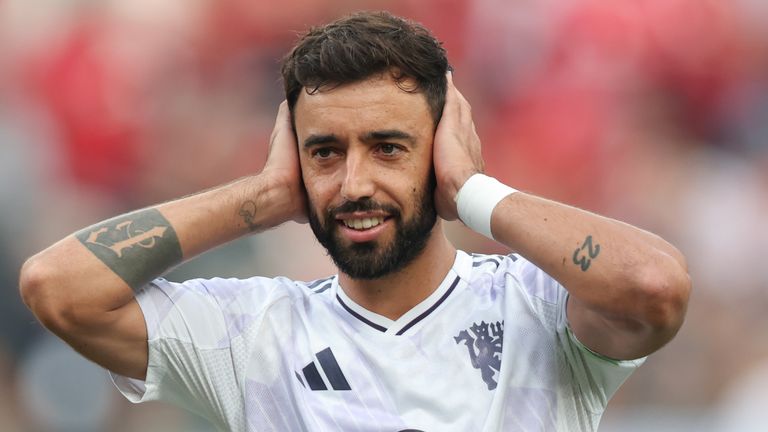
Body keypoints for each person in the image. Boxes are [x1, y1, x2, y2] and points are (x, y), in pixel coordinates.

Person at [18, 11, 691, 432]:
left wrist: (474, 191)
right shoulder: (253, 332)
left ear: (441, 151)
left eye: (389, 147)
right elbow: (57, 286)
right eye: (326, 152)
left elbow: (655, 287)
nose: (354, 183)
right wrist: (263, 198)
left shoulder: (537, 306)